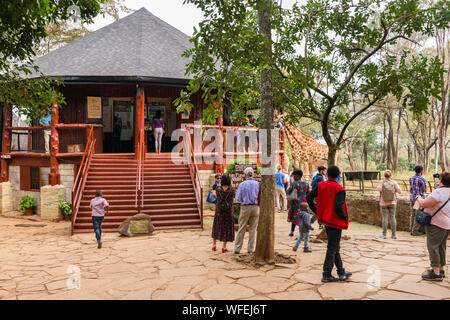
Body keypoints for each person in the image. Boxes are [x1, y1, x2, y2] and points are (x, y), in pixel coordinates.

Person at [307, 165, 352, 283]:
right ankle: (326, 274)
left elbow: (309, 197)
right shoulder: (339, 189)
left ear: (327, 174)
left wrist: (316, 211)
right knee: (332, 248)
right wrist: (344, 216)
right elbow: (338, 207)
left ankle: (341, 272)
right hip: (335, 222)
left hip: (326, 220)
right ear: (338, 176)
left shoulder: (321, 185)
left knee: (335, 246)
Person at [415, 172, 450, 281]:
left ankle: (435, 272)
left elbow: (425, 204)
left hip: (436, 223)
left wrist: (419, 198)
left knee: (433, 246)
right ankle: (441, 268)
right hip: (446, 224)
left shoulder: (439, 192)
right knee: (441, 246)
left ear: (441, 180)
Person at [234, 167, 260, 254]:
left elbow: (238, 198)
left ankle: (237, 248)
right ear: (252, 174)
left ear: (245, 174)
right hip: (255, 207)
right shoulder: (257, 184)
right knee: (253, 229)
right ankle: (250, 249)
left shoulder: (242, 184)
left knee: (242, 228)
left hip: (245, 207)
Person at [211, 174, 235, 253]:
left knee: (216, 226)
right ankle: (224, 247)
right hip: (228, 212)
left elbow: (215, 196)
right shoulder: (231, 190)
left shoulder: (218, 189)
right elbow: (233, 200)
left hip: (219, 211)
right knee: (227, 228)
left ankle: (214, 245)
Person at [376, 170, 402, 239]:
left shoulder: (382, 182)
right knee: (392, 217)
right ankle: (393, 235)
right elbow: (400, 191)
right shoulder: (394, 182)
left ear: (384, 175)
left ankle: (384, 234)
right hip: (393, 202)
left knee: (385, 218)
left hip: (383, 202)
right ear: (391, 175)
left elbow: (378, 189)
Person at [287, 170, 309, 236]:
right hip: (304, 202)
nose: (293, 177)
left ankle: (292, 232)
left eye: (294, 175)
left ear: (298, 176)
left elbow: (288, 191)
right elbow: (308, 192)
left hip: (296, 202)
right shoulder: (306, 184)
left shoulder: (294, 183)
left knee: (295, 216)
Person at [409, 165, 427, 236]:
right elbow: (424, 189)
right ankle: (415, 231)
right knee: (418, 215)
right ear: (421, 171)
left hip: (412, 198)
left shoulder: (411, 178)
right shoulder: (422, 179)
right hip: (418, 199)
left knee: (412, 214)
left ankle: (411, 229)